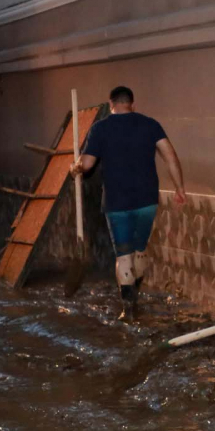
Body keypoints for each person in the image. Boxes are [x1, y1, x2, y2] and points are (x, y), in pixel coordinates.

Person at [71, 86, 186, 319]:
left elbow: (88, 165)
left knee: (123, 255)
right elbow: (170, 155)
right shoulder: (150, 124)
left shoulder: (100, 128)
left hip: (117, 202)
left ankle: (129, 310)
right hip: (147, 199)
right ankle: (136, 291)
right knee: (140, 249)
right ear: (132, 103)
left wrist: (74, 168)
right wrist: (179, 187)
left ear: (110, 103)